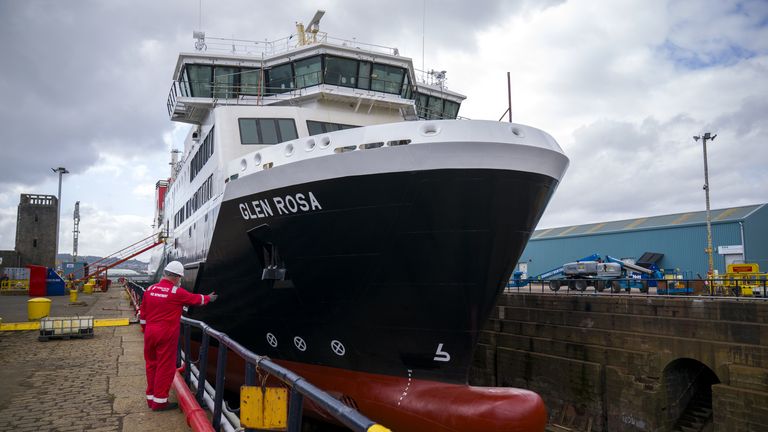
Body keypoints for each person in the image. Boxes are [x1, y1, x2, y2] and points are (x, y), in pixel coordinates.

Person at [139, 261, 218, 411]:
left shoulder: (149, 289)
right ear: (176, 277)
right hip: (166, 334)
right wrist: (208, 298)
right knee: (165, 367)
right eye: (180, 278)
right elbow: (196, 299)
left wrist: (146, 329)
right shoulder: (176, 293)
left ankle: (151, 398)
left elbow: (143, 315)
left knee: (151, 364)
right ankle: (160, 402)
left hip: (150, 332)